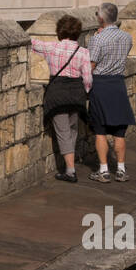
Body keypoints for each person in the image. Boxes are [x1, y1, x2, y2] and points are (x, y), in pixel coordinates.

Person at [31, 14, 92, 182]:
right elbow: (88, 79)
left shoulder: (52, 48)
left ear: (59, 32)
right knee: (72, 130)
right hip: (76, 95)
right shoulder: (84, 52)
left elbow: (32, 44)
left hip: (57, 95)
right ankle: (69, 165)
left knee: (64, 132)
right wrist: (85, 93)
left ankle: (70, 171)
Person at [87, 2, 136, 182]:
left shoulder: (97, 39)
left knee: (100, 130)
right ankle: (121, 169)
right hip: (118, 84)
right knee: (119, 131)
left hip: (101, 85)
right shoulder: (127, 37)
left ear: (101, 18)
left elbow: (91, 65)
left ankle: (104, 170)